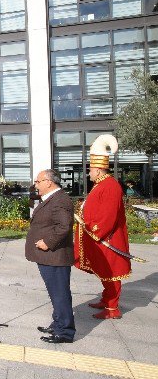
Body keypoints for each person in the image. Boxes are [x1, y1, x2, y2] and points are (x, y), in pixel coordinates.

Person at [75, 134, 130, 320]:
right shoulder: (101, 184)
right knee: (105, 272)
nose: (89, 172)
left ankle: (112, 309)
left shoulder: (110, 186)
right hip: (102, 237)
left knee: (111, 273)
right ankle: (107, 300)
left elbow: (108, 215)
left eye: (91, 169)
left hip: (108, 238)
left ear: (99, 170)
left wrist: (96, 231)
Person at [26, 169, 75, 344]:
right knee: (56, 293)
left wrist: (48, 242)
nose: (35, 185)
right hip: (50, 257)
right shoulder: (51, 198)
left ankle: (65, 332)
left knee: (60, 293)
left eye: (38, 182)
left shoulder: (60, 200)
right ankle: (58, 323)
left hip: (55, 255)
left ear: (49, 182)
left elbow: (64, 226)